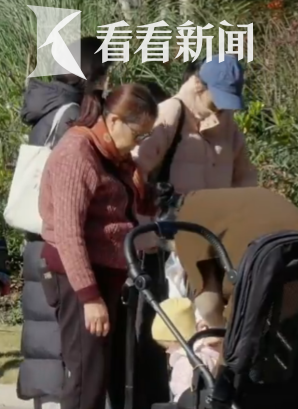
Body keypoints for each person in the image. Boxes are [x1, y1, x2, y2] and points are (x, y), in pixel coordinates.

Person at [37, 83, 158, 409]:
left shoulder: (111, 154)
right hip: (77, 277)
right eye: (138, 134)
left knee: (107, 372)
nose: (139, 144)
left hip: (107, 274)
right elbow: (69, 233)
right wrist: (89, 297)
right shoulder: (77, 154)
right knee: (86, 380)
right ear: (114, 120)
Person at [16, 36, 112, 409]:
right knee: (65, 344)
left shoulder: (47, 107)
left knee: (48, 337)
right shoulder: (73, 116)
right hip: (61, 240)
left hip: (40, 237)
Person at [132, 54, 258, 331]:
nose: (223, 106)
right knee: (174, 315)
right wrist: (144, 225)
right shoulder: (171, 112)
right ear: (199, 84)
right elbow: (137, 168)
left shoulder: (229, 125)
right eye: (219, 96)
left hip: (217, 235)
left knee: (210, 313)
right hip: (169, 236)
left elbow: (245, 178)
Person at [151, 297, 221, 402]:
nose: (167, 351)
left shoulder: (186, 363)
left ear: (177, 340)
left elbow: (184, 399)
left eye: (166, 347)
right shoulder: (211, 349)